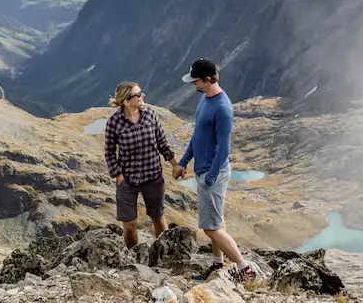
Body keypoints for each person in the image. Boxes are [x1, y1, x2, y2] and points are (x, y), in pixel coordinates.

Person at [173, 58, 256, 282]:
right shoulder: (204, 100)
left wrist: (210, 177)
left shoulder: (222, 108)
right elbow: (197, 136)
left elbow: (224, 148)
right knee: (216, 223)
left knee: (211, 228)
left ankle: (245, 269)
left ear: (208, 79)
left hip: (213, 173)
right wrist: (183, 162)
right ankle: (218, 265)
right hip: (204, 171)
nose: (193, 84)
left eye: (196, 80)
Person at [104, 81, 180, 249]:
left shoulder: (151, 115)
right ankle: (133, 258)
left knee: (158, 217)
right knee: (129, 227)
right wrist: (118, 176)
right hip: (127, 181)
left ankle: (165, 253)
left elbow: (162, 144)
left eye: (141, 93)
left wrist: (175, 164)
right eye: (137, 95)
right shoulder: (114, 122)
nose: (142, 97)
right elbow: (109, 153)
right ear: (125, 101)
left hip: (153, 177)